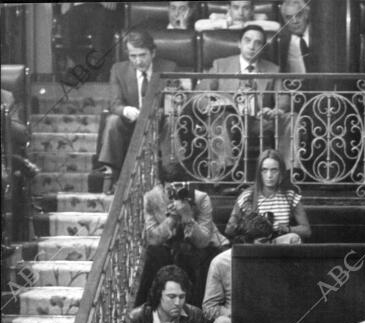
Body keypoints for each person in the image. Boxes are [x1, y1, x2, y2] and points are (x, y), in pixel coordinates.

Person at [202, 149, 310, 323]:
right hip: (249, 242)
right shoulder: (247, 197)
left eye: (274, 170)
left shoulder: (290, 196)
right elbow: (230, 229)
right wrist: (249, 224)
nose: (270, 175)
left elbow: (305, 230)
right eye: (265, 170)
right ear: (259, 172)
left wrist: (281, 229)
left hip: (275, 248)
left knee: (294, 240)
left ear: (281, 173)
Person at [194, 25, 283, 173]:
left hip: (258, 120)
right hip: (226, 118)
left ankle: (287, 173)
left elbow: (283, 98)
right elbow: (200, 92)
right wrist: (213, 104)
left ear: (263, 47)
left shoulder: (273, 69)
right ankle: (225, 172)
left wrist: (274, 109)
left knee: (287, 119)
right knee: (219, 121)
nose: (252, 46)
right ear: (239, 43)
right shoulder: (220, 65)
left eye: (258, 43)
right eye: (247, 41)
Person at [97, 30, 177, 191]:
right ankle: (111, 172)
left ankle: (172, 173)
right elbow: (115, 104)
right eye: (133, 56)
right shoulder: (118, 70)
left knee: (172, 120)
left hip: (159, 122)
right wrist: (126, 110)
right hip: (130, 123)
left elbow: (173, 101)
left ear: (153, 53)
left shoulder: (169, 68)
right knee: (112, 120)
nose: (138, 61)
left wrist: (158, 112)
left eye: (142, 55)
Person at [143, 180, 228, 304]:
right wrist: (172, 218)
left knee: (201, 259)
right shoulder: (151, 199)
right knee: (152, 254)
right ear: (161, 187)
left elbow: (203, 241)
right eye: (170, 188)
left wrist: (188, 217)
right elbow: (153, 239)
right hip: (170, 248)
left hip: (203, 248)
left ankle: (199, 313)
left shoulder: (201, 198)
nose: (176, 191)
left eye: (180, 186)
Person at [194, 1, 279, 31]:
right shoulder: (224, 21)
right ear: (229, 9)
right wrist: (226, 23)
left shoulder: (258, 21)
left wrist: (246, 24)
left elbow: (277, 27)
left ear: (252, 10)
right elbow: (198, 25)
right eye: (236, 8)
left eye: (246, 8)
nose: (241, 13)